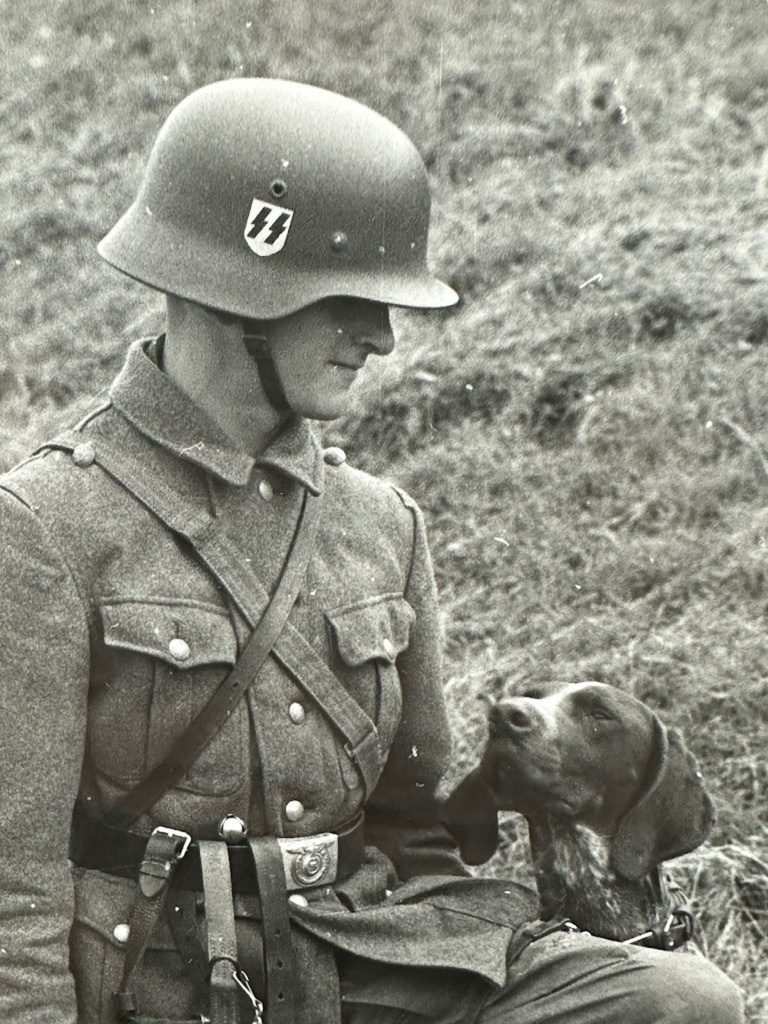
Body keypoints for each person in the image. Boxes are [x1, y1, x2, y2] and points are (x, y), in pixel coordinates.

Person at [0, 78, 743, 1024]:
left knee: (680, 1001)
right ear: (242, 290)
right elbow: (11, 892)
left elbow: (417, 826)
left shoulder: (379, 523)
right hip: (160, 986)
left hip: (358, 959)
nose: (383, 338)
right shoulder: (45, 526)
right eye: (351, 298)